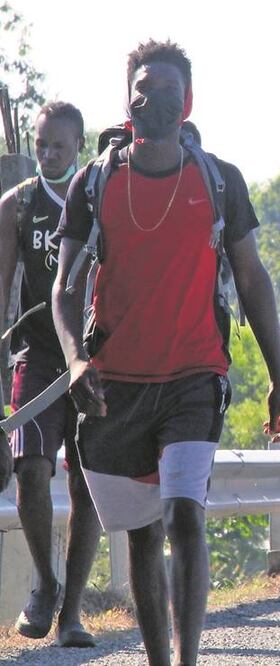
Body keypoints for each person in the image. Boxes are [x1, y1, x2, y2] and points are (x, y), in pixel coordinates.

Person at [53, 41, 280, 664]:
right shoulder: (94, 182)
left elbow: (253, 279)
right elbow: (65, 287)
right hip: (117, 382)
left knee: (185, 515)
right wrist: (76, 359)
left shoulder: (219, 180)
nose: (153, 98)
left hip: (195, 374)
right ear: (127, 99)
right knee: (142, 535)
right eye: (143, 87)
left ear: (187, 102)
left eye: (167, 89)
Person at [0, 101, 102, 647]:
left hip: (96, 357)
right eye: (41, 144)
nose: (48, 154)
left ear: (79, 145)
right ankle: (45, 582)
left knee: (88, 483)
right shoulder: (17, 205)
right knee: (31, 469)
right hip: (37, 354)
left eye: (59, 145)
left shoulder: (102, 196)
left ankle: (73, 612)